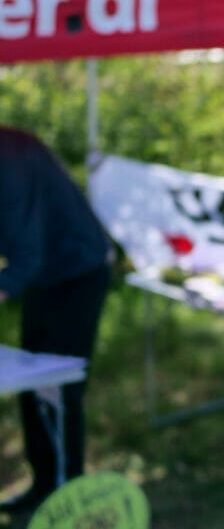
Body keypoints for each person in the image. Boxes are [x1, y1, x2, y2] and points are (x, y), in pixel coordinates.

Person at [0, 128, 112, 516]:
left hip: (78, 271)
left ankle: (69, 501)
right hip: (46, 275)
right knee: (30, 386)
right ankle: (44, 486)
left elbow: (25, 257)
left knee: (58, 388)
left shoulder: (9, 161)